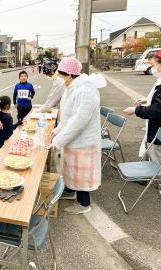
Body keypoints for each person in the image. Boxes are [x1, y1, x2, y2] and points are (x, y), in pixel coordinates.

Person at [47, 57, 106, 214]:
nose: (60, 79)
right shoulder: (72, 87)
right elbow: (68, 117)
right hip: (74, 140)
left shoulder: (86, 90)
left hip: (84, 142)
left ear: (69, 75)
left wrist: (58, 140)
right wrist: (57, 130)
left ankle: (84, 204)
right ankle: (70, 190)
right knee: (71, 169)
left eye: (61, 75)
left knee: (81, 174)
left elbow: (78, 121)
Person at [124, 51, 161, 163]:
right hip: (156, 130)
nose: (152, 69)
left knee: (157, 165)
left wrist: (135, 110)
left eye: (153, 65)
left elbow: (157, 110)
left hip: (158, 132)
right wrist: (147, 99)